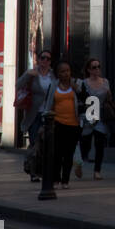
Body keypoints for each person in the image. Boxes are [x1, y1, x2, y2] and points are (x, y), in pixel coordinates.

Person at [14, 50, 55, 161]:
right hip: (34, 113)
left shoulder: (53, 76)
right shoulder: (32, 73)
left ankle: (41, 169)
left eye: (48, 59)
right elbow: (18, 85)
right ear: (38, 59)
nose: (45, 60)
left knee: (46, 144)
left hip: (48, 114)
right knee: (34, 141)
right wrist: (28, 75)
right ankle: (32, 169)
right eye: (43, 58)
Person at [78, 58, 114, 180]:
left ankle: (97, 171)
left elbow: (109, 98)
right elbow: (81, 99)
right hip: (88, 114)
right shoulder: (84, 83)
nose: (97, 69)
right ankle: (80, 162)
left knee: (100, 143)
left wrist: (109, 98)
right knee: (86, 142)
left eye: (98, 66)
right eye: (94, 67)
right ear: (88, 70)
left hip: (101, 114)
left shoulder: (105, 82)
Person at [48, 60, 82, 188]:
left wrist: (77, 89)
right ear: (58, 73)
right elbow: (49, 104)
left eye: (67, 71)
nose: (66, 74)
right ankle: (56, 178)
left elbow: (88, 98)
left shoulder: (77, 84)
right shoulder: (53, 86)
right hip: (57, 123)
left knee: (69, 153)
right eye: (63, 71)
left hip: (73, 124)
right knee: (57, 153)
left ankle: (65, 180)